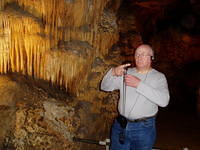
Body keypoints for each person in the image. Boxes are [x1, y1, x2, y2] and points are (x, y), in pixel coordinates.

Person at [100, 44, 170, 150]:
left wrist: (139, 84)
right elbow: (104, 87)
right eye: (137, 54)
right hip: (121, 125)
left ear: (152, 58)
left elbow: (164, 101)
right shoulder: (126, 73)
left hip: (143, 128)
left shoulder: (159, 77)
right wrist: (113, 72)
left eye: (143, 54)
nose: (139, 57)